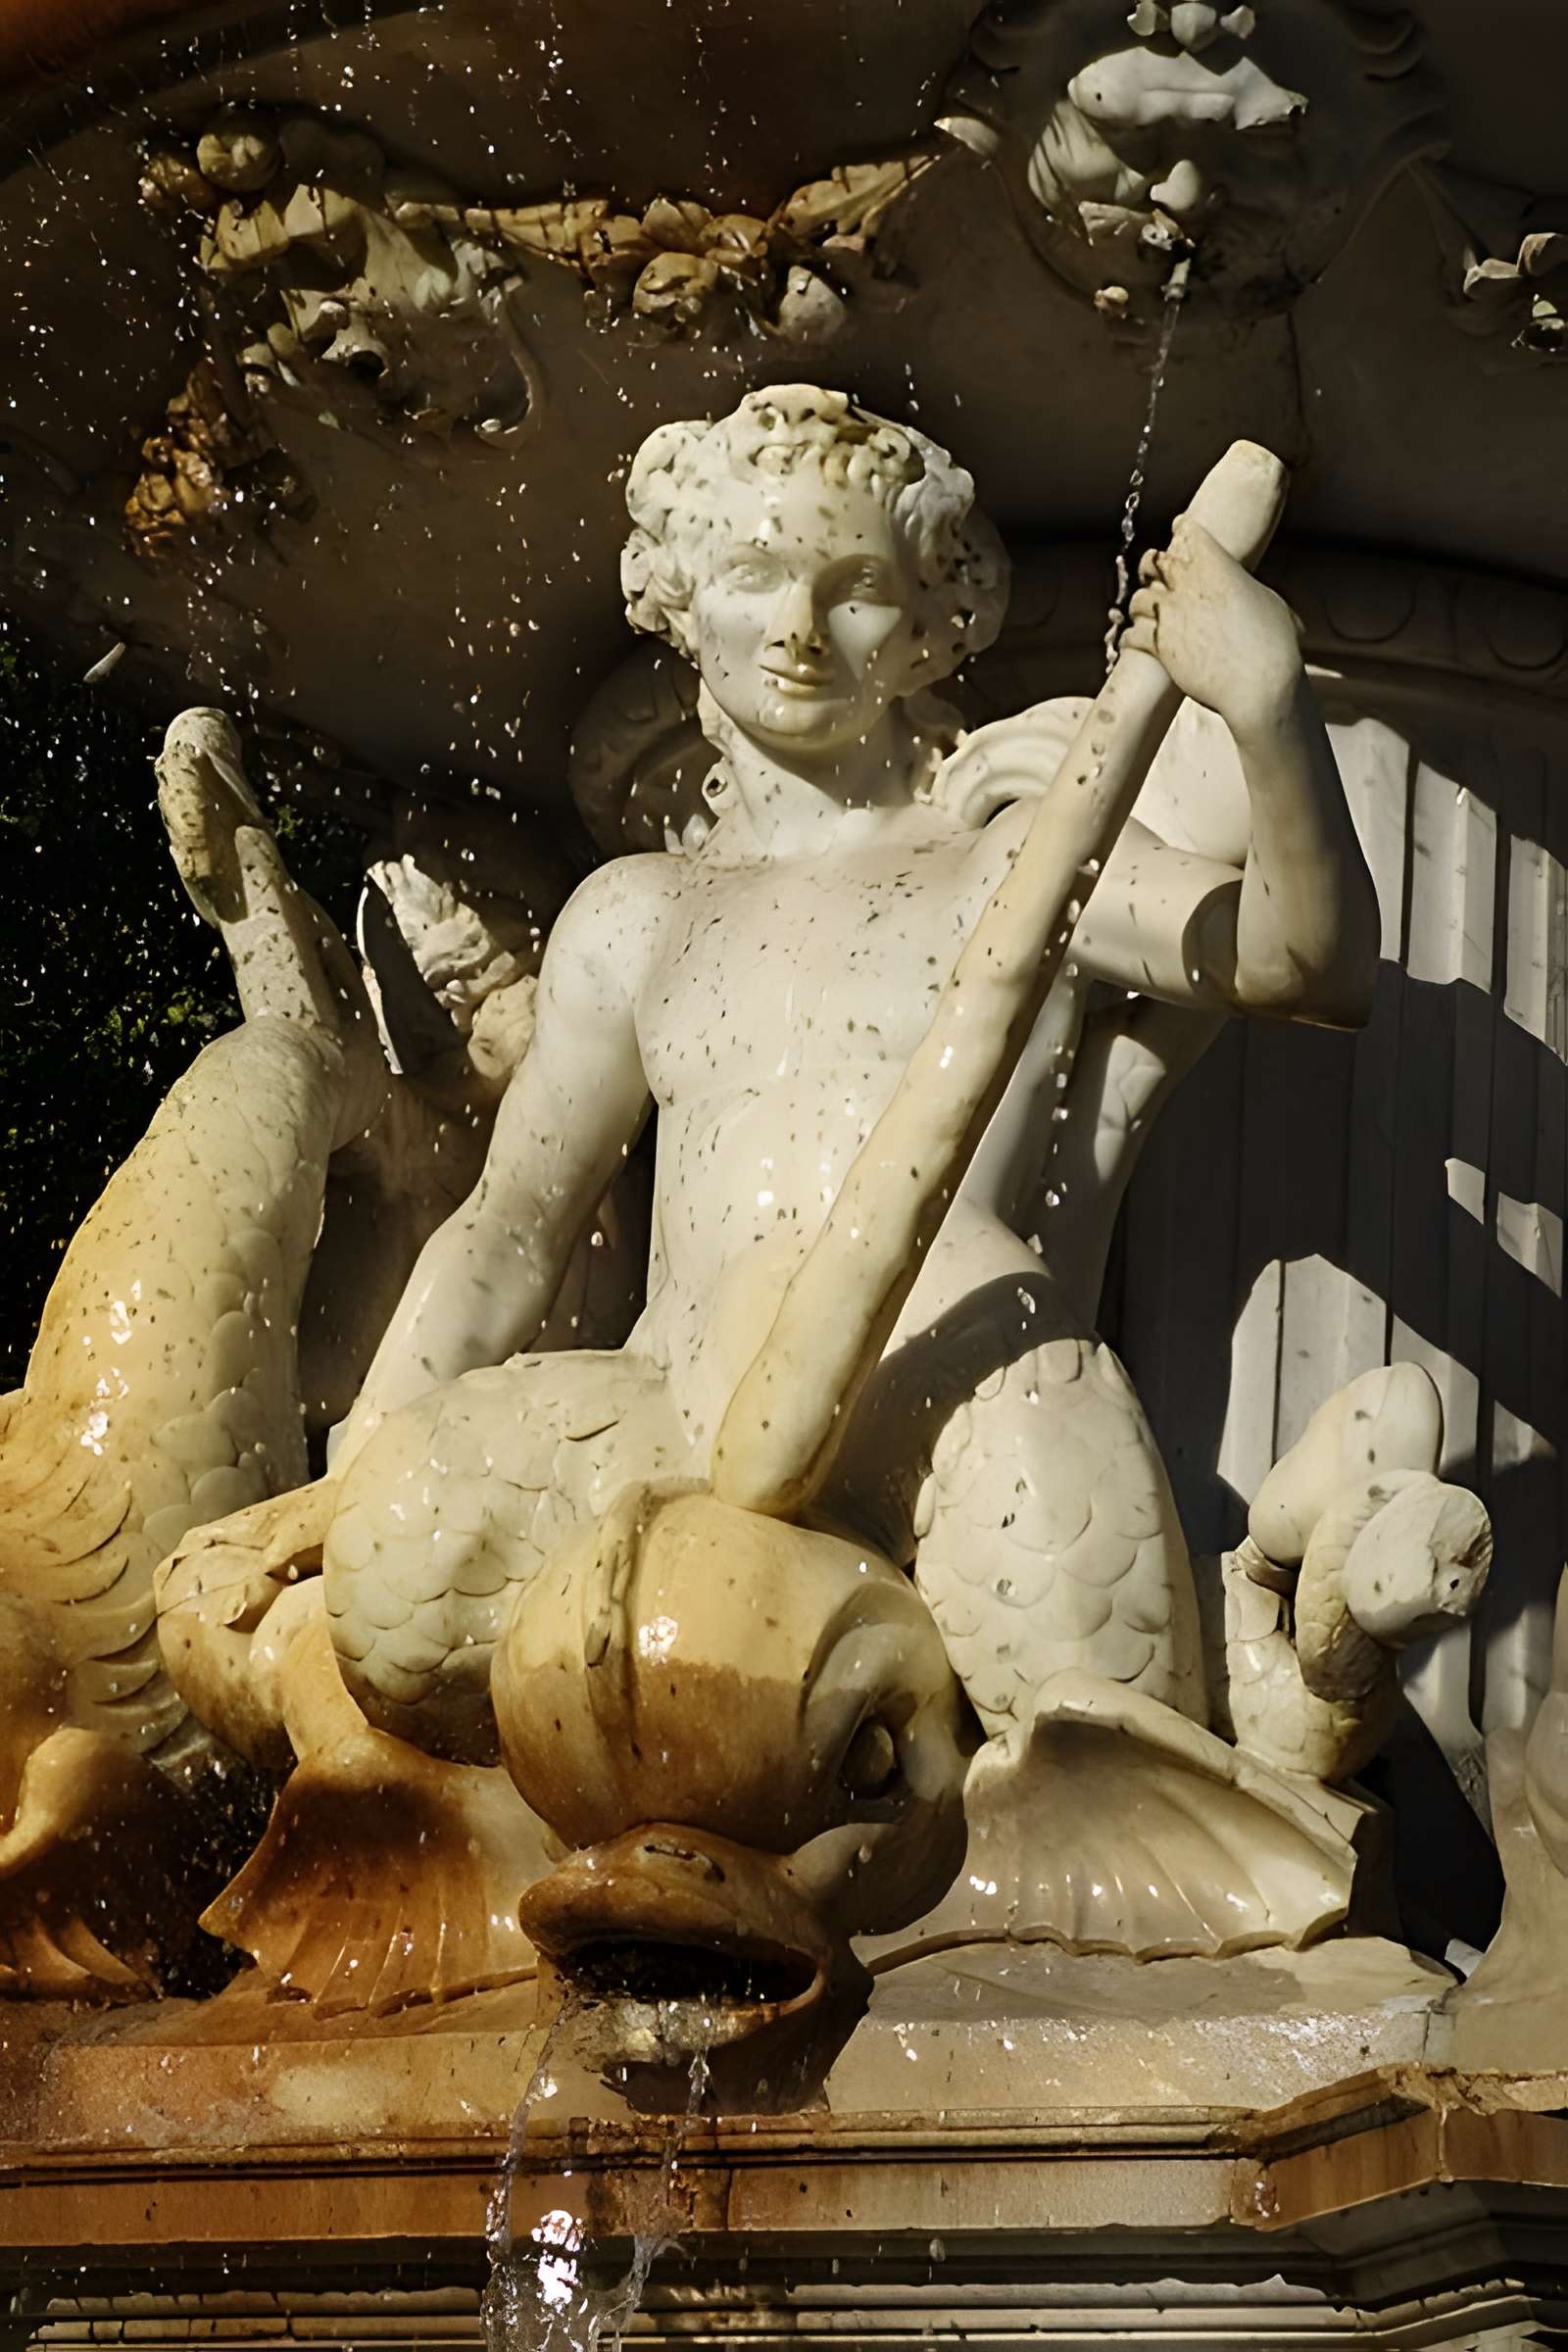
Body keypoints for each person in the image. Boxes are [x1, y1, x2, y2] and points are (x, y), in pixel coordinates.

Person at [281, 383, 1380, 1755]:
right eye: (753, 574)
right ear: (684, 597)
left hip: (968, 1374)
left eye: (854, 586)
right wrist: (357, 1466)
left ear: (930, 624)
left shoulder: (1014, 856)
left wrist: (1268, 701)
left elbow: (1306, 965)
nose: (798, 628)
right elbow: (509, 1227)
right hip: (676, 1398)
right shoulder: (637, 915)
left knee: (1102, 1744)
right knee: (397, 1583)